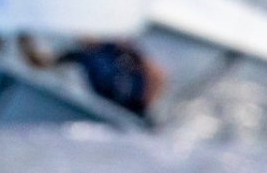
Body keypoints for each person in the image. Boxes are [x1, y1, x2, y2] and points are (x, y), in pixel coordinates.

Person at [18, 36, 167, 119]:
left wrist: (145, 104)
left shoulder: (116, 47)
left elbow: (157, 74)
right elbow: (40, 62)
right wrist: (24, 40)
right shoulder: (81, 55)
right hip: (110, 115)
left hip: (136, 114)